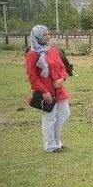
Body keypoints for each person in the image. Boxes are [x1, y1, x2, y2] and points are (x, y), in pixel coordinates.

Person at [25, 25, 71, 153]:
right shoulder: (32, 54)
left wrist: (62, 79)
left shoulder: (53, 50)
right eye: (44, 34)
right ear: (38, 36)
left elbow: (62, 67)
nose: (48, 36)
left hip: (59, 89)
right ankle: (50, 146)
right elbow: (32, 76)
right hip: (46, 91)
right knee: (49, 117)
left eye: (48, 34)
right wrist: (43, 91)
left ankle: (57, 142)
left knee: (64, 113)